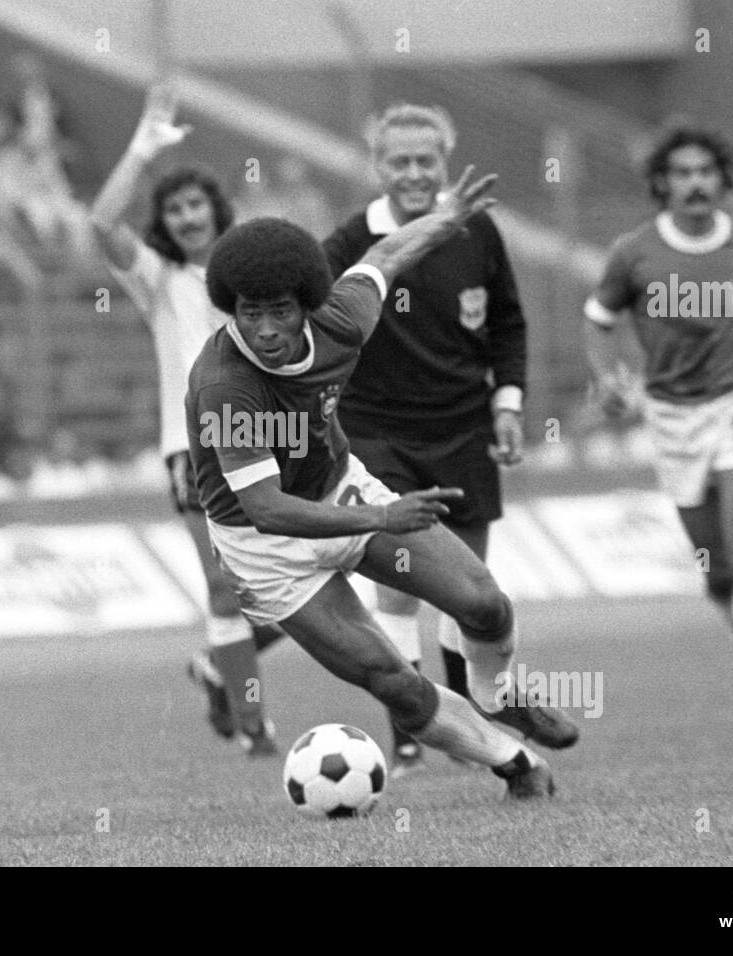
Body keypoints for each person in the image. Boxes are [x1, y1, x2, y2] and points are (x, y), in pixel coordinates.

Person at [186, 165, 580, 800]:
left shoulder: (342, 320)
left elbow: (385, 253)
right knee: (390, 677)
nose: (265, 329)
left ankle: (494, 692)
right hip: (266, 549)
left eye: (280, 311)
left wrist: (448, 218)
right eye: (250, 312)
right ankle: (514, 764)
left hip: (341, 489)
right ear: (231, 308)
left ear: (307, 306)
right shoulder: (226, 384)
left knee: (484, 604)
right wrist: (381, 519)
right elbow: (264, 508)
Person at [322, 103, 530, 776]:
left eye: (425, 161)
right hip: (380, 433)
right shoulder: (346, 245)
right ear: (377, 166)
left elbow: (508, 324)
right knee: (402, 584)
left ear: (444, 162)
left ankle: (472, 713)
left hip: (465, 426)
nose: (413, 173)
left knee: (469, 585)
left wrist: (507, 404)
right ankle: (409, 729)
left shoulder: (480, 233)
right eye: (399, 161)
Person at [584, 123, 733, 731]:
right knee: (717, 570)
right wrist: (609, 381)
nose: (695, 183)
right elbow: (597, 320)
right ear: (662, 184)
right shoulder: (634, 253)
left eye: (705, 171)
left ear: (722, 179)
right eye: (681, 173)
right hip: (673, 417)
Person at [89, 85, 281, 755]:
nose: (188, 216)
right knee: (226, 589)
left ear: (215, 210)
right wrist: (142, 146)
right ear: (163, 222)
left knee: (313, 568)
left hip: (267, 441)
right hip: (191, 450)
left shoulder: (249, 277)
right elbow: (100, 222)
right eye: (174, 209)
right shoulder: (157, 278)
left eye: (196, 203)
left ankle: (217, 668)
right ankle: (254, 727)